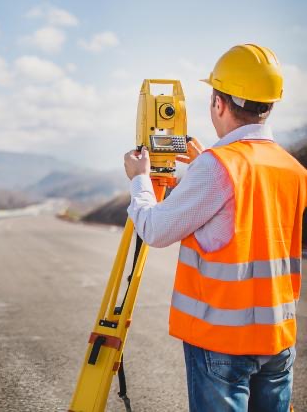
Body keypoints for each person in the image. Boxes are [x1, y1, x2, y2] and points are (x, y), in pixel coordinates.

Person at [123, 44, 306, 411]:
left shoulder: (218, 167)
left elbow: (155, 230)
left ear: (218, 103)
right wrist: (206, 160)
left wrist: (140, 181)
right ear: (269, 105)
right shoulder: (292, 169)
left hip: (223, 342)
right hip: (277, 340)